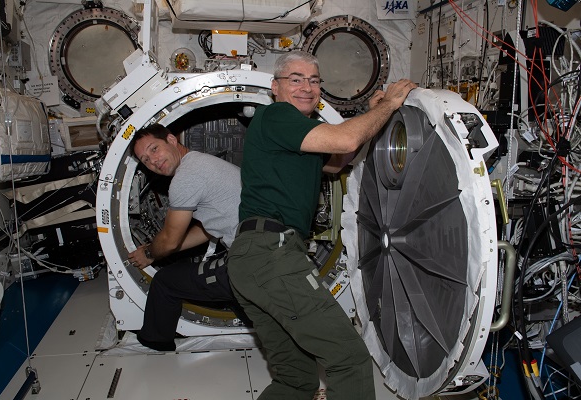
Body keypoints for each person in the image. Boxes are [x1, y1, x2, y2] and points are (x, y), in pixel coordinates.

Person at [226, 50, 417, 399]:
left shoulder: (299, 135)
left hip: (250, 261)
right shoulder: (277, 116)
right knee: (349, 358)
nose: (306, 87)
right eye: (295, 79)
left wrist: (373, 115)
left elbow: (342, 158)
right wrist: (387, 106)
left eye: (314, 81)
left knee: (295, 380)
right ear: (275, 88)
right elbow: (346, 139)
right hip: (273, 253)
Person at [127, 123, 249, 351]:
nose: (153, 161)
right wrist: (160, 251)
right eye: (145, 160)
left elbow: (170, 240)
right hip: (259, 251)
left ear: (172, 140)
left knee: (165, 282)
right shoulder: (201, 162)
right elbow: (208, 230)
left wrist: (149, 253)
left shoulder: (186, 177)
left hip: (247, 262)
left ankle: (154, 341)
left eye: (154, 149)